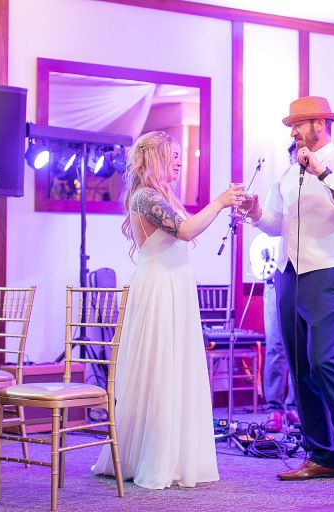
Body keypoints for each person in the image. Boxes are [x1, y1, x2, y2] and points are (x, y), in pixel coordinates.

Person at [91, 130, 246, 487]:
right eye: (173, 156)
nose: (180, 162)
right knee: (160, 368)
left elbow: (188, 230)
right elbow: (186, 231)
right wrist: (220, 202)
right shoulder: (145, 197)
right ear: (156, 159)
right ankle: (154, 457)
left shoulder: (163, 196)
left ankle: (173, 454)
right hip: (159, 286)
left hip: (176, 284)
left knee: (177, 368)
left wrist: (224, 206)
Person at [244, 96, 334, 484]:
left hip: (326, 274)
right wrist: (254, 211)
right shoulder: (287, 174)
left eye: (298, 124)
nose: (292, 132)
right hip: (288, 275)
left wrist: (323, 172)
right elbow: (275, 223)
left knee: (324, 361)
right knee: (301, 369)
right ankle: (321, 455)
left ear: (319, 124)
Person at [262, 141, 298, 433]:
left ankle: (298, 406)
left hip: (308, 273)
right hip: (278, 273)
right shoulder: (278, 187)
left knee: (302, 347)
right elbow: (268, 229)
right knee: (276, 344)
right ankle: (275, 408)